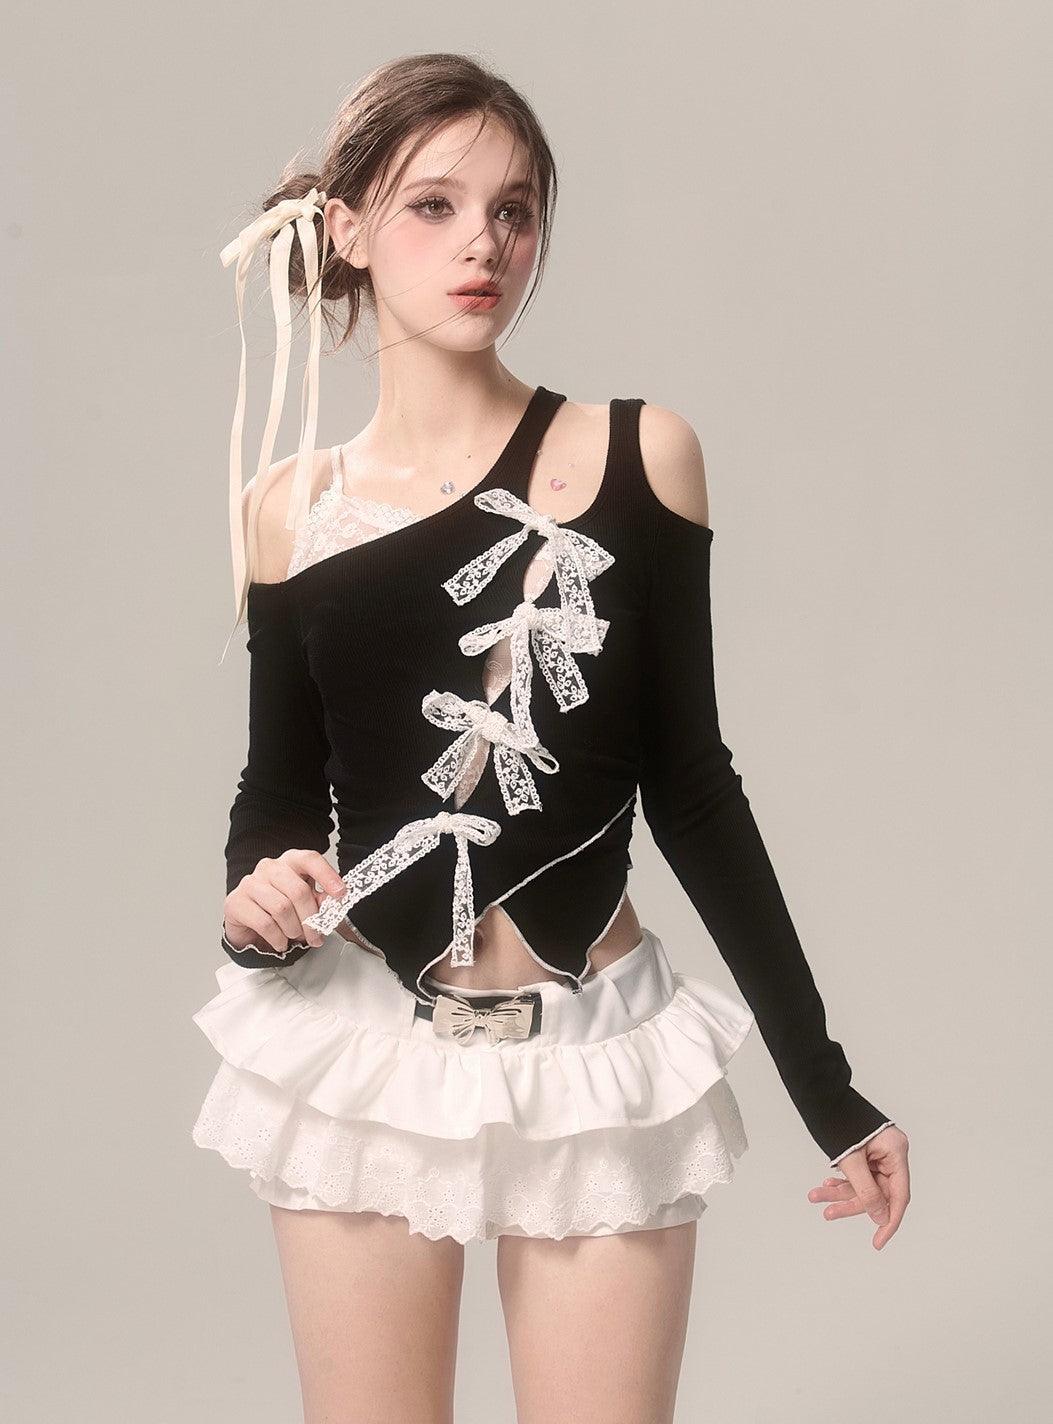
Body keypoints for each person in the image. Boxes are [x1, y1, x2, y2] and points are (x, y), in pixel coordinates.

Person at [190, 51, 910, 1424]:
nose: (484, 243)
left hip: (592, 1056)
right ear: (346, 229)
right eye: (434, 206)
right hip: (369, 1052)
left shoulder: (639, 454)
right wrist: (256, 906)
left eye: (513, 210)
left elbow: (693, 788)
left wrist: (827, 1090)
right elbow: (277, 794)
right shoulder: (287, 507)